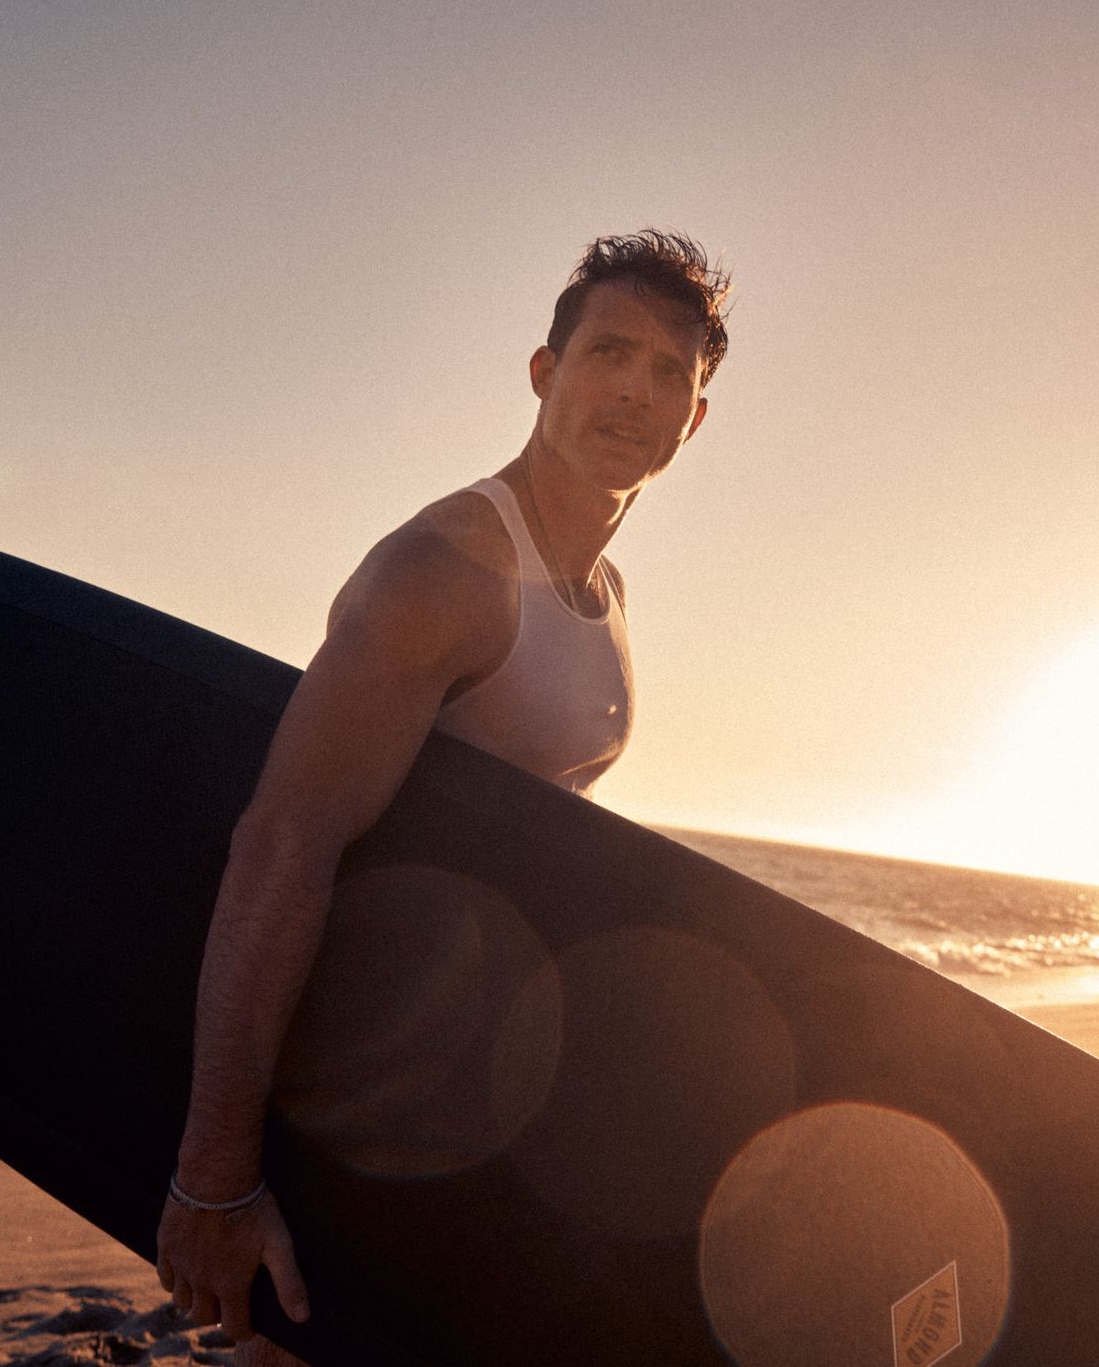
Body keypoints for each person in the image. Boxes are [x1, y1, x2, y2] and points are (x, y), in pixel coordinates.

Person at [154, 230, 730, 1364]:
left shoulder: (603, 591)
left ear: (696, 418)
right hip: (349, 1102)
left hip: (467, 1098)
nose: (635, 390)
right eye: (609, 352)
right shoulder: (446, 569)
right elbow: (280, 847)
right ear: (541, 372)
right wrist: (215, 1179)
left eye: (672, 373)